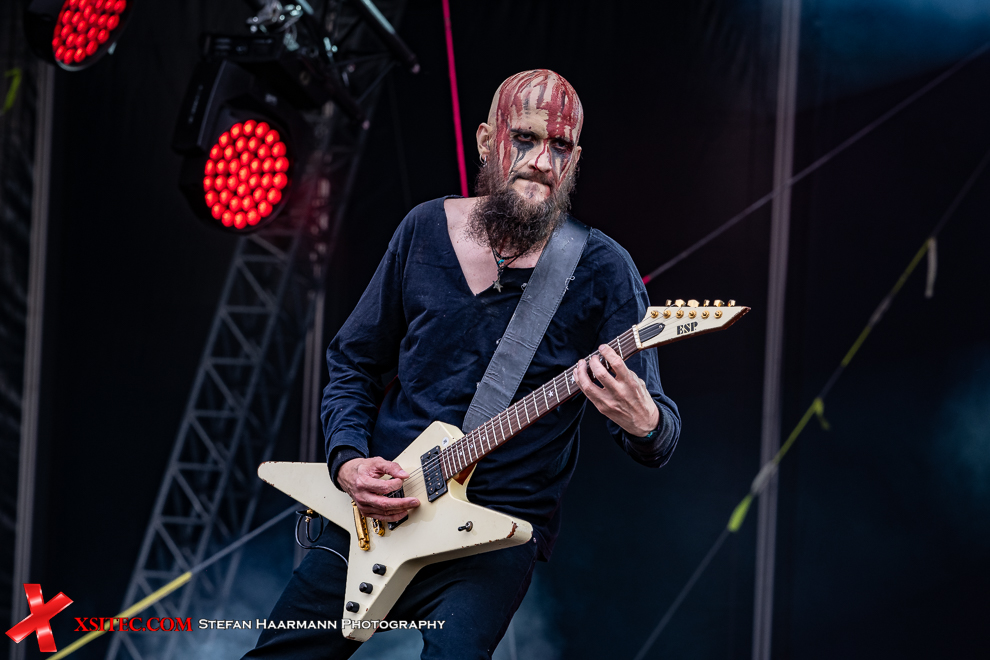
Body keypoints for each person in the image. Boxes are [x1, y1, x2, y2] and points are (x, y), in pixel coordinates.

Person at [244, 69, 680, 660]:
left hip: (489, 538)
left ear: (576, 159)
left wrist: (644, 422)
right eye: (524, 138)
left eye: (560, 146)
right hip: (379, 509)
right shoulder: (423, 230)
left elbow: (660, 434)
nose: (541, 162)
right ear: (485, 140)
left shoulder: (603, 269)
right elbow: (352, 362)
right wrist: (347, 461)